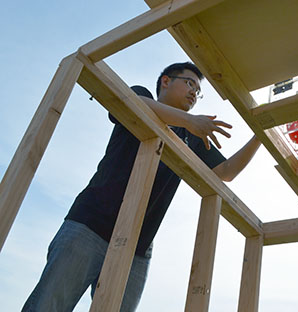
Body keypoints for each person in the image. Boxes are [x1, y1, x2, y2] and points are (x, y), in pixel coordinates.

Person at [22, 62, 261, 311]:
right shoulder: (141, 95)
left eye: (198, 92)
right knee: (49, 306)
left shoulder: (192, 138)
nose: (194, 93)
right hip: (90, 226)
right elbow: (131, 102)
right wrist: (189, 120)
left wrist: (260, 135)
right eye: (190, 83)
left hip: (137, 246)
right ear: (166, 81)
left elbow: (226, 172)